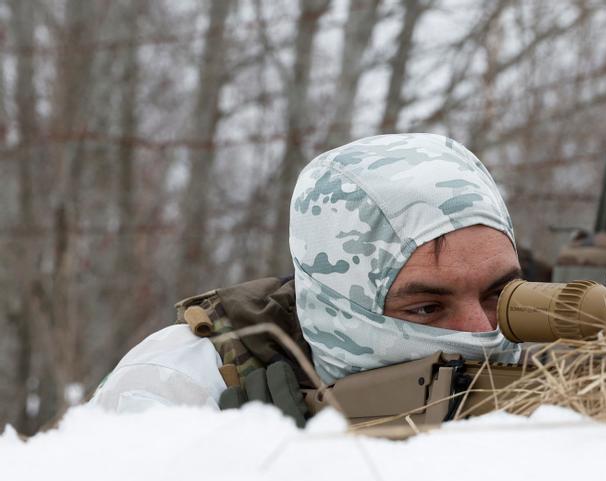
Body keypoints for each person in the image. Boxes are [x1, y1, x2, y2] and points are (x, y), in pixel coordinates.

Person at [91, 134, 523, 422]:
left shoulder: (548, 362)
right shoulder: (176, 385)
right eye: (427, 307)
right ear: (338, 310)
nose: (483, 333)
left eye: (498, 296)